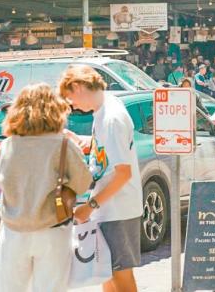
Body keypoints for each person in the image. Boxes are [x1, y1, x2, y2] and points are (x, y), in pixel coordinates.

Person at [0, 83, 92, 292]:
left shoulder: (8, 145)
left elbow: (2, 180)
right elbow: (83, 182)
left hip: (13, 229)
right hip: (52, 229)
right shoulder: (62, 144)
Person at [59, 66, 142, 292]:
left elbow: (123, 173)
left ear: (78, 86)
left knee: (119, 275)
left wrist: (90, 206)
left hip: (117, 209)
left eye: (70, 99)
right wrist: (84, 141)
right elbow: (111, 153)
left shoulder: (111, 118)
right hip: (112, 208)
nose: (72, 106)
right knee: (108, 272)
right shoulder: (107, 108)